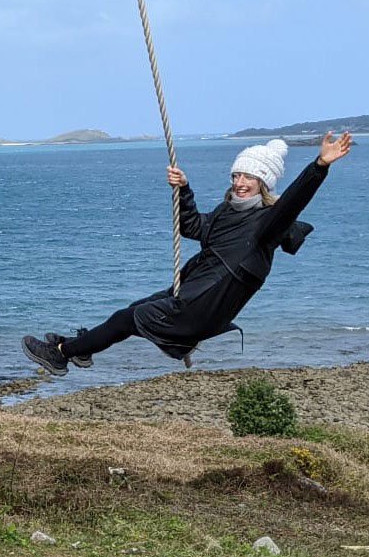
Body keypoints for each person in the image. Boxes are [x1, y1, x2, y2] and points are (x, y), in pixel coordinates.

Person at [22, 131, 352, 376]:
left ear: (263, 182)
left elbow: (295, 198)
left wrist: (319, 165)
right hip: (194, 293)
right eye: (236, 175)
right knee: (131, 311)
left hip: (202, 306)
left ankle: (62, 354)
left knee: (127, 320)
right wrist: (183, 188)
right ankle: (82, 348)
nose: (240, 182)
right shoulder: (227, 213)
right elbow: (192, 226)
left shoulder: (268, 223)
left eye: (249, 177)